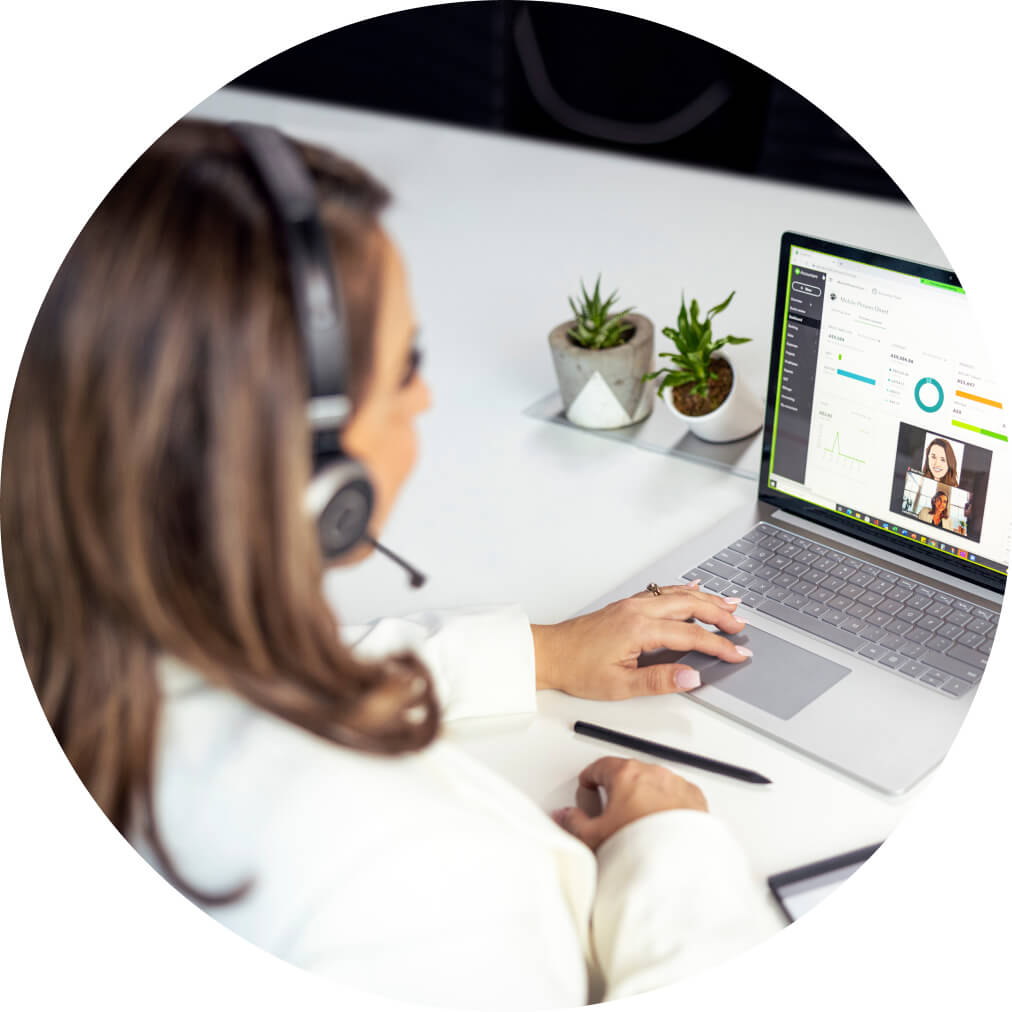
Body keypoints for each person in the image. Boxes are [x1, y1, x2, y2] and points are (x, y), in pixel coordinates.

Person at [0, 120, 769, 1009]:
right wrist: (671, 854)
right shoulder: (393, 889)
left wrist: (539, 654)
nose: (425, 396)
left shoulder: (75, 657)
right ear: (318, 469)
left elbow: (238, 690)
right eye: (401, 366)